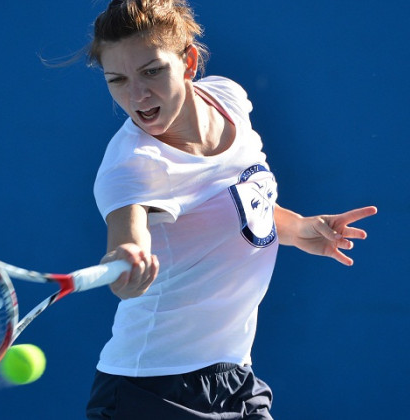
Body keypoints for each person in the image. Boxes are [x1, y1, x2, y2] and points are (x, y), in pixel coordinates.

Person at [82, 1, 377, 419]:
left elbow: (238, 203)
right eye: (117, 79)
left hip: (236, 376)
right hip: (149, 391)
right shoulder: (131, 165)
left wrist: (298, 228)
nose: (136, 94)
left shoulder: (227, 98)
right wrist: (126, 264)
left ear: (188, 61)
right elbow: (126, 238)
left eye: (152, 71)